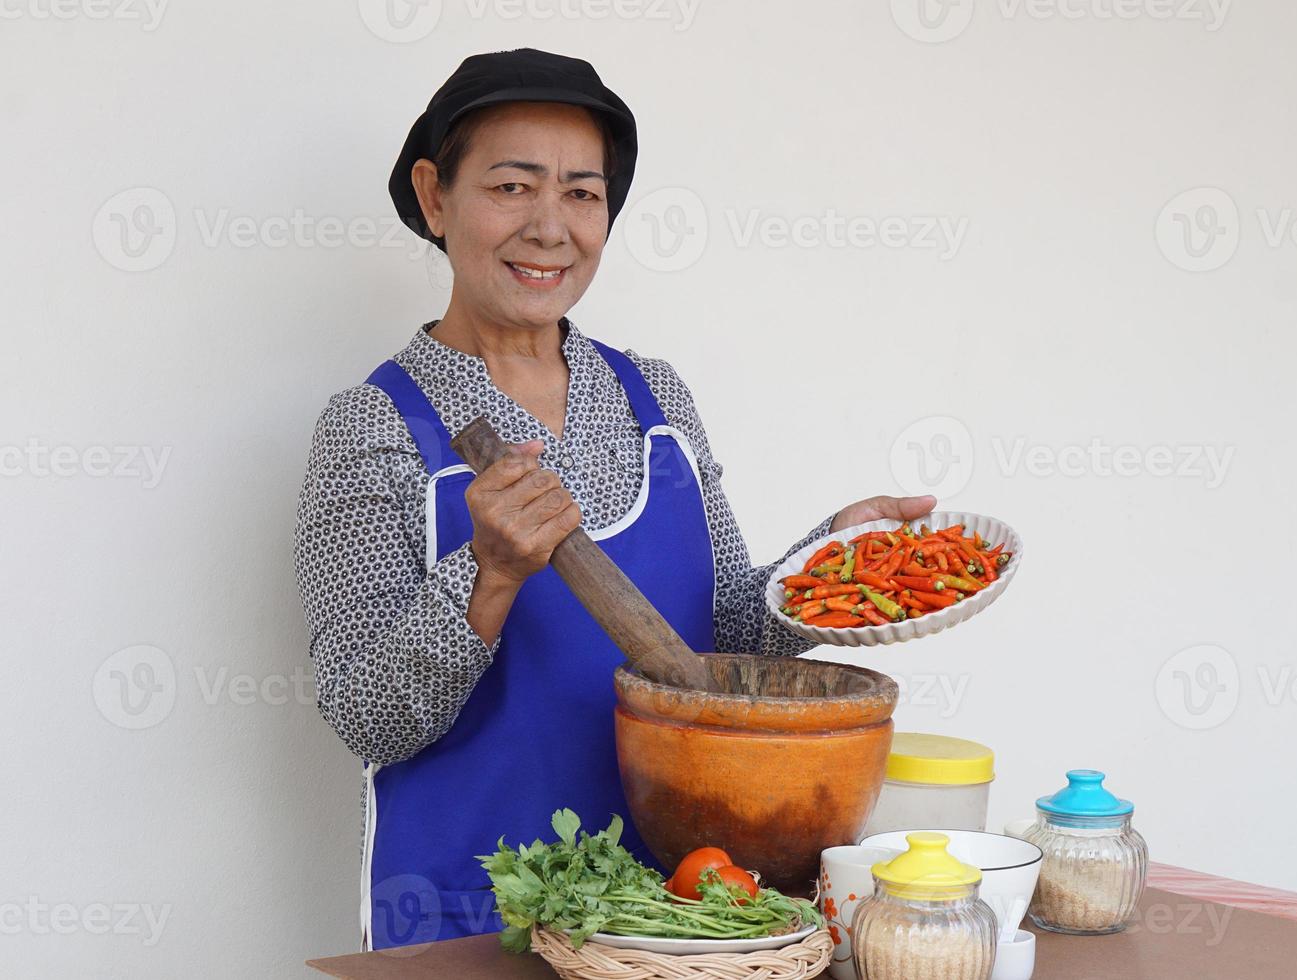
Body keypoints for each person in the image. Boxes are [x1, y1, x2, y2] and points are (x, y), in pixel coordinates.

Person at [292, 48, 935, 950]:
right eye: (513, 187)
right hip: (471, 916)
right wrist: (487, 577)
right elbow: (367, 714)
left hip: (680, 907)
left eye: (582, 194)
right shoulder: (372, 426)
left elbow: (717, 646)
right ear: (436, 197)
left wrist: (825, 560)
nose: (551, 228)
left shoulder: (655, 399)